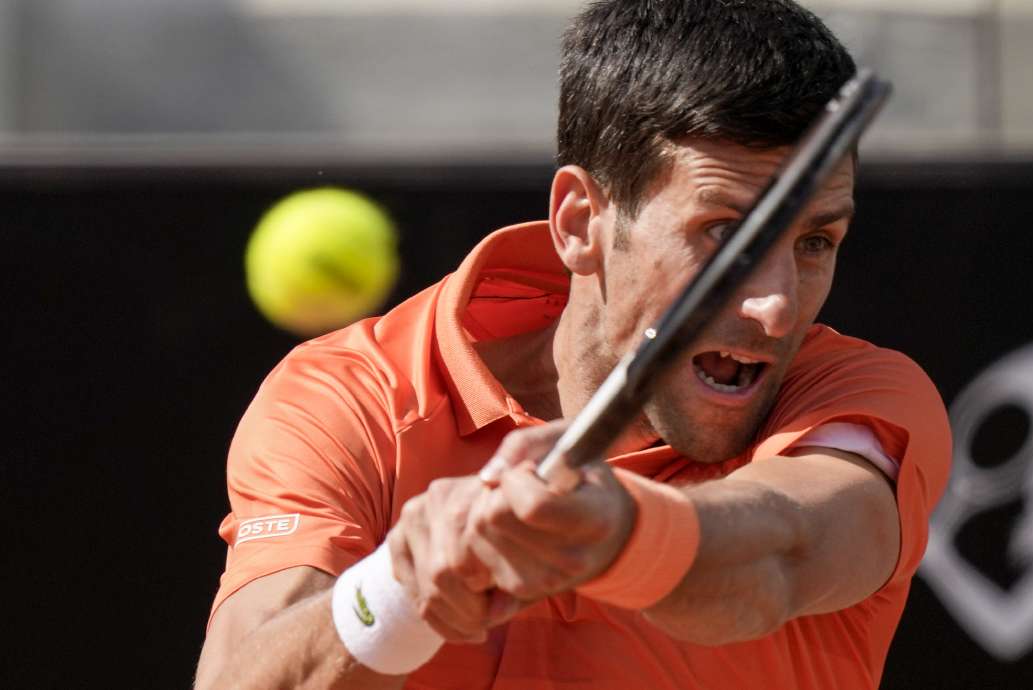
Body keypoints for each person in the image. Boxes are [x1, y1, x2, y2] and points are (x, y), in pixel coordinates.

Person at [195, 1, 951, 688]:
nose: (777, 306)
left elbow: (784, 550)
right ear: (581, 221)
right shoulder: (354, 397)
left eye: (817, 240)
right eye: (727, 235)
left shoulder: (859, 398)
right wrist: (400, 589)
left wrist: (617, 532)